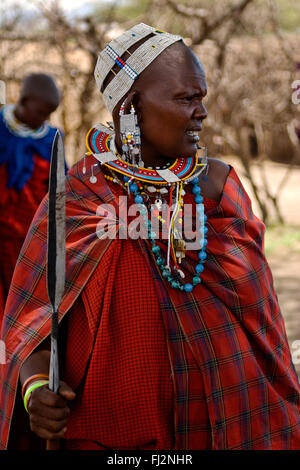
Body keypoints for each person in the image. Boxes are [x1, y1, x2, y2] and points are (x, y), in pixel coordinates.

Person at [1, 23, 300, 451]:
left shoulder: (218, 187)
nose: (202, 112)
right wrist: (35, 391)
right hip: (115, 437)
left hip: (234, 425)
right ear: (131, 105)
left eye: (201, 98)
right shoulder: (80, 197)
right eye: (185, 98)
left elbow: (262, 327)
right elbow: (32, 327)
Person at [0, 73, 62, 324]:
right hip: (1, 232)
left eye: (50, 114)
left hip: (33, 238)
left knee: (27, 305)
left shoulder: (51, 139)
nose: (46, 119)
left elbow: (60, 187)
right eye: (41, 112)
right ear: (23, 101)